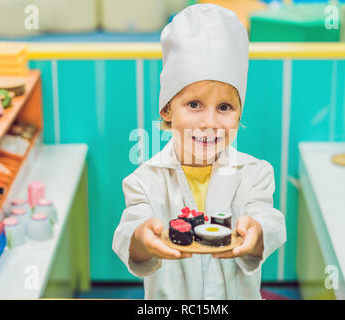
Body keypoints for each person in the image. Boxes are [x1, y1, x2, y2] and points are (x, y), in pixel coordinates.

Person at [113, 3, 286, 299]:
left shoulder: (255, 173)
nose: (209, 122)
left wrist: (256, 232)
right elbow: (130, 234)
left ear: (239, 113)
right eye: (194, 105)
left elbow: (269, 222)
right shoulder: (144, 179)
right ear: (167, 109)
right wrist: (142, 239)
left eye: (224, 107)